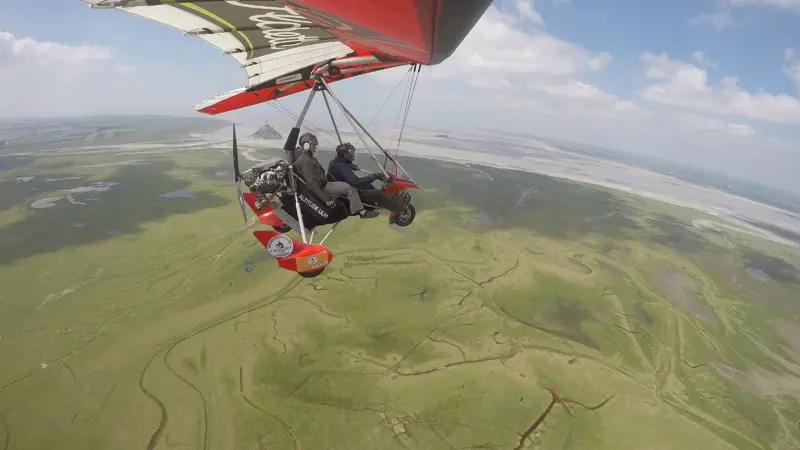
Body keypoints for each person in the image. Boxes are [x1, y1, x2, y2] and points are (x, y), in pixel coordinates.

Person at [292, 133, 379, 219]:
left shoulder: (303, 156)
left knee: (348, 186)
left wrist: (348, 165)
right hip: (322, 186)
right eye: (314, 146)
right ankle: (362, 212)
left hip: (322, 183)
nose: (315, 148)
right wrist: (326, 199)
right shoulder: (307, 160)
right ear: (306, 145)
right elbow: (311, 183)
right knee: (349, 188)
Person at [327, 142, 409, 217]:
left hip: (342, 191)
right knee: (377, 194)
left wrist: (349, 165)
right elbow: (356, 182)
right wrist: (374, 176)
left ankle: (383, 199)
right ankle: (398, 208)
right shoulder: (342, 167)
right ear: (346, 155)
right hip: (351, 195)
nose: (353, 157)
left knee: (367, 185)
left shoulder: (334, 163)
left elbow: (341, 166)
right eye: (352, 154)